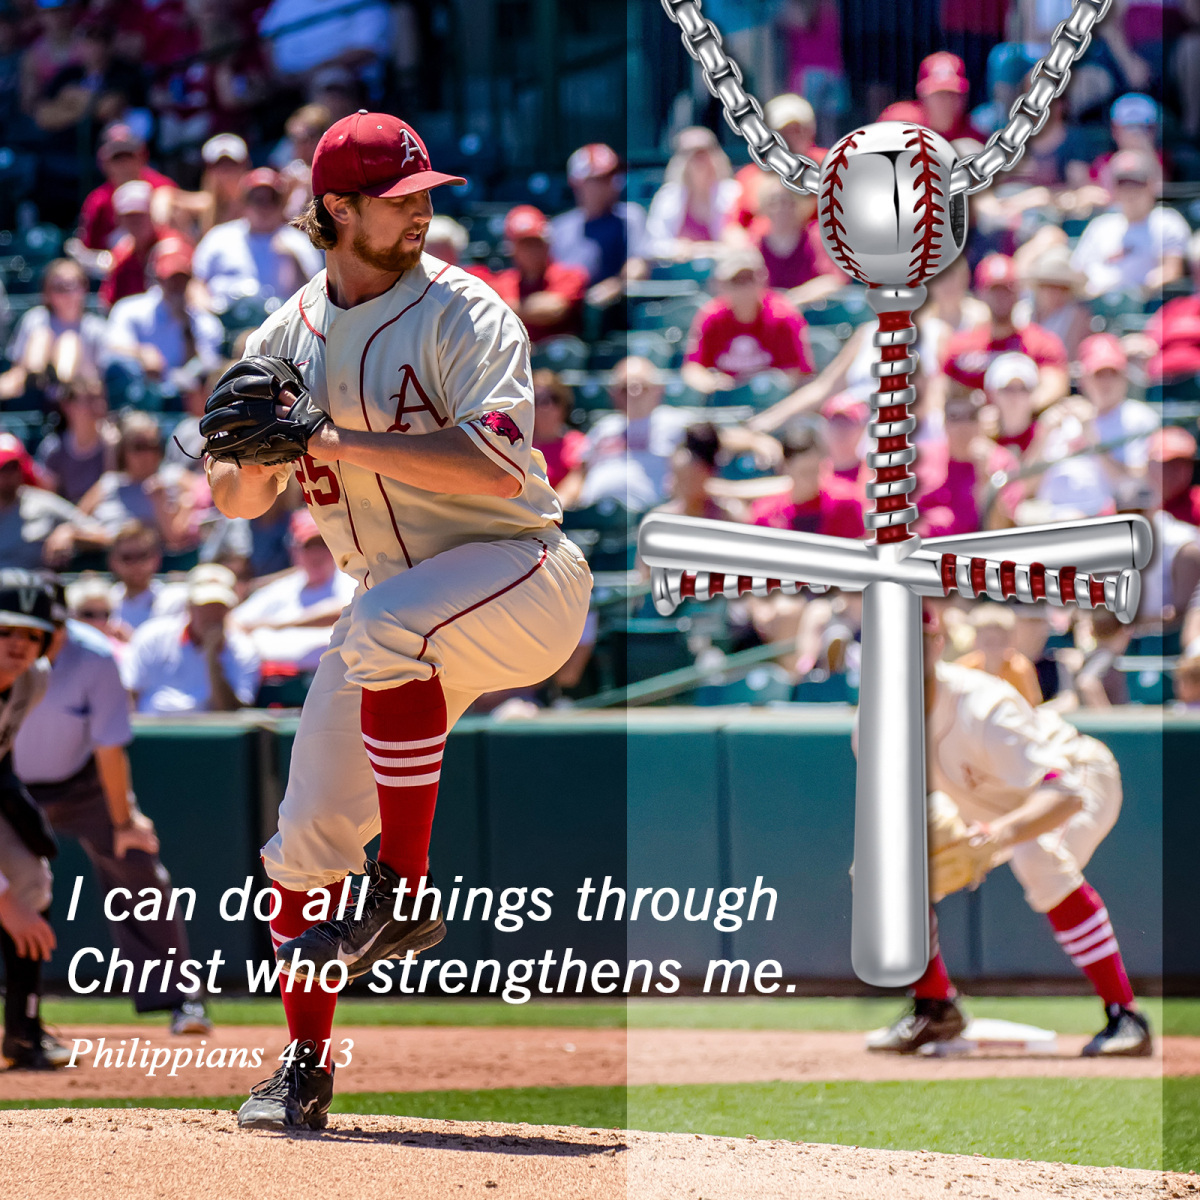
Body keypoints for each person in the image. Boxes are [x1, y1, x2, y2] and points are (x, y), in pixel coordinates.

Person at [205, 111, 592, 1130]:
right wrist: (240, 457)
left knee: (382, 626)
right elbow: (239, 502)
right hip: (396, 614)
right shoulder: (285, 335)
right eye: (401, 197)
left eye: (427, 194)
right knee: (298, 851)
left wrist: (327, 433)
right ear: (336, 209)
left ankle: (408, 889)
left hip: (521, 572)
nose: (423, 209)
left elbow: (501, 461)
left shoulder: (467, 313)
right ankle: (302, 1067)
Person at [869, 608, 1153, 1058]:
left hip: (1079, 776)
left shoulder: (981, 704)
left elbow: (1063, 795)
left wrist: (996, 835)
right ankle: (937, 1006)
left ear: (937, 644)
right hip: (987, 805)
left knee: (1035, 856)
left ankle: (1126, 1016)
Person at [13, 592, 212, 1036]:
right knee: (16, 885)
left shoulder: (96, 656)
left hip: (82, 783)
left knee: (137, 862)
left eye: (56, 626)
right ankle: (22, 1023)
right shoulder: (10, 653)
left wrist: (124, 822)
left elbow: (109, 747)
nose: (51, 637)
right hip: (9, 783)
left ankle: (181, 999)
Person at [0, 572, 66, 1071]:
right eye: (5, 632)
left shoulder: (34, 678)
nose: (19, 645)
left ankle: (23, 1031)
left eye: (31, 634)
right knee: (11, 898)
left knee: (30, 881)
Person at [122, 563, 260, 714]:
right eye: (204, 606)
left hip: (209, 735)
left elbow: (232, 713)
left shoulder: (243, 650)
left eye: (219, 606)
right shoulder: (151, 636)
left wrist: (212, 659)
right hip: (150, 732)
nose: (212, 614)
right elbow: (129, 695)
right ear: (190, 606)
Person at [937, 254, 1070, 411]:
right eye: (994, 290)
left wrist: (1009, 414)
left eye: (1007, 289)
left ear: (1018, 293)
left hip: (1025, 431)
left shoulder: (1041, 344)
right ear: (980, 294)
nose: (1001, 297)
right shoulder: (959, 347)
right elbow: (941, 393)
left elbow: (1055, 387)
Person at [230, 510, 356, 673]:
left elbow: (346, 610)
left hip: (335, 677)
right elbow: (235, 621)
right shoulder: (284, 587)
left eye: (323, 544)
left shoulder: (352, 580)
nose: (317, 554)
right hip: (271, 681)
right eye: (308, 546)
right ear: (293, 550)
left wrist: (280, 624)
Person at [682, 247, 814, 394]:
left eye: (749, 278)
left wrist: (754, 388)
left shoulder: (783, 315)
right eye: (736, 281)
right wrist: (712, 383)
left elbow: (795, 373)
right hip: (725, 404)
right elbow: (692, 369)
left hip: (772, 403)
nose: (744, 288)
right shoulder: (711, 316)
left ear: (763, 278)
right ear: (721, 284)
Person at [103, 236, 224, 390]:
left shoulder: (206, 323)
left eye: (182, 278)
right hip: (143, 396)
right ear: (157, 278)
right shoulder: (129, 309)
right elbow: (111, 347)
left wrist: (186, 329)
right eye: (170, 278)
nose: (176, 285)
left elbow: (206, 371)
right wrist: (141, 353)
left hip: (185, 401)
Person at [192, 168, 323, 307]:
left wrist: (294, 262)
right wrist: (209, 312)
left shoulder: (299, 243)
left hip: (280, 324)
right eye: (257, 199)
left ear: (282, 203)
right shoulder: (219, 237)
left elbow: (314, 296)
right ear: (244, 202)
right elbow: (196, 285)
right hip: (227, 324)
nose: (264, 206)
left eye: (272, 199)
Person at [576, 356, 691, 510]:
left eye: (640, 386)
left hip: (649, 514)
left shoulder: (676, 423)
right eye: (625, 388)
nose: (632, 393)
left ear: (658, 390)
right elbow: (578, 475)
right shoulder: (603, 428)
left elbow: (717, 445)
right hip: (592, 514)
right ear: (613, 394)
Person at [1071, 150, 1189, 299]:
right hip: (1094, 305)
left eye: (1136, 183)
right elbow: (1078, 273)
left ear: (1151, 185)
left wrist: (1134, 292)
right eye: (1123, 183)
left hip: (1140, 306)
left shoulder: (1167, 221)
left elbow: (1172, 271)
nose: (1130, 191)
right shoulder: (1100, 225)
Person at [78, 411, 195, 550]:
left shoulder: (176, 477)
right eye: (139, 447)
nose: (147, 454)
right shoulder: (108, 483)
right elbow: (77, 521)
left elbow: (180, 535)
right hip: (102, 556)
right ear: (123, 450)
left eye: (152, 446)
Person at [549, 142, 648, 305]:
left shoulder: (630, 216)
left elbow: (638, 266)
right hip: (565, 308)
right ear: (577, 183)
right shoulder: (558, 227)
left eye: (615, 176)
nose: (613, 184)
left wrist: (617, 285)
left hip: (614, 312)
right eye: (601, 179)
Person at [916, 391, 1021, 536]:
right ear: (944, 423)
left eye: (971, 416)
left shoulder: (1002, 462)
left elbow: (1000, 529)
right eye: (954, 417)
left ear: (982, 421)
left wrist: (985, 477)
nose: (963, 426)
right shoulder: (922, 458)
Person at [1, 258, 107, 401]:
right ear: (47, 292)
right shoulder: (35, 319)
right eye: (59, 288)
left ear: (84, 288)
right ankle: (42, 380)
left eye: (72, 286)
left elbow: (100, 381)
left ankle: (61, 384)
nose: (67, 294)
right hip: (35, 393)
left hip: (78, 399)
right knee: (41, 336)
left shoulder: (96, 328)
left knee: (69, 341)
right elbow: (17, 371)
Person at [0, 433, 109, 569]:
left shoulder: (41, 504)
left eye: (14, 466)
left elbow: (104, 534)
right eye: (3, 468)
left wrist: (70, 532)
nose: (9, 474)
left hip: (33, 587)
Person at [71, 122, 176, 261]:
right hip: (116, 270)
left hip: (158, 264)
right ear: (103, 162)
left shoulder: (162, 187)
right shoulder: (97, 201)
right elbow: (89, 248)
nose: (124, 165)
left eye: (129, 156)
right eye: (117, 158)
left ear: (142, 156)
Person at [487, 206, 590, 344]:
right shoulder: (505, 280)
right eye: (524, 244)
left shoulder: (570, 275)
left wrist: (508, 308)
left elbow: (554, 310)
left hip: (557, 357)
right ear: (512, 249)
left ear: (547, 244)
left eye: (536, 243)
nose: (531, 250)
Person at [749, 419, 863, 537]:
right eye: (804, 472)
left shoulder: (846, 502)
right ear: (785, 468)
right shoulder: (766, 515)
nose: (812, 479)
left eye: (815, 471)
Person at [645, 126, 740, 258]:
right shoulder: (668, 196)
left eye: (703, 152)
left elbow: (741, 240)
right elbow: (653, 243)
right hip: (679, 272)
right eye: (689, 153)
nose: (698, 159)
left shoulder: (733, 193)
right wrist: (676, 248)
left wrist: (703, 249)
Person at [1076, 334, 1160, 471]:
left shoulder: (1141, 418)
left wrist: (1092, 437)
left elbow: (1135, 484)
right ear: (1083, 379)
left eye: (1113, 373)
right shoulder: (1068, 419)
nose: (1106, 383)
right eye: (1099, 374)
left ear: (1125, 376)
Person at [34, 375, 117, 504]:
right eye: (89, 399)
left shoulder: (115, 443)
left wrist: (111, 450)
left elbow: (113, 493)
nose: (98, 405)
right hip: (65, 520)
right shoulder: (53, 449)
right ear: (67, 406)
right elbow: (48, 499)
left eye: (100, 398)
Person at [99, 179, 177, 309]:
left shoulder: (172, 246)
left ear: (151, 214)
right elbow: (111, 303)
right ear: (119, 220)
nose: (136, 222)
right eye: (130, 216)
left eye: (141, 214)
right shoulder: (121, 256)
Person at [878, 52, 983, 142]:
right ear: (922, 96)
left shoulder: (973, 137)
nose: (946, 102)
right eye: (939, 94)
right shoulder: (900, 121)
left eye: (952, 94)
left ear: (964, 97)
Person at [955, 603, 1043, 707]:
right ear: (976, 642)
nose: (994, 648)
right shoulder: (962, 669)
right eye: (988, 642)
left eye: (1001, 642)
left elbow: (1030, 708)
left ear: (1012, 642)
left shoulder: (1020, 668)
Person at [107, 520, 187, 633]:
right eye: (127, 557)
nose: (136, 564)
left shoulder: (174, 600)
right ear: (113, 562)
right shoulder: (103, 603)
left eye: (142, 555)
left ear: (156, 558)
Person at [531, 369, 586, 506]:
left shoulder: (576, 442)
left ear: (563, 404)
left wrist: (548, 512)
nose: (545, 407)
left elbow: (575, 483)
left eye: (553, 399)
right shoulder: (517, 444)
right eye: (536, 400)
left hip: (560, 516)